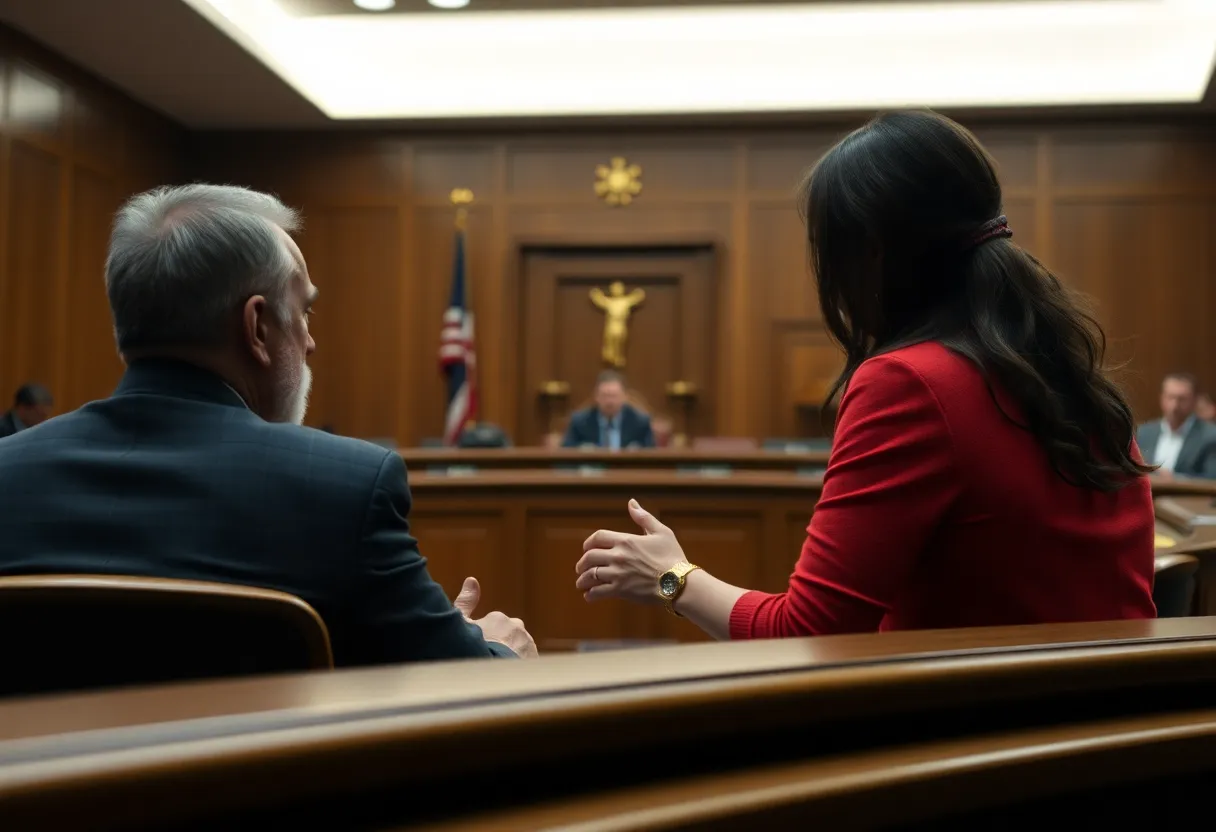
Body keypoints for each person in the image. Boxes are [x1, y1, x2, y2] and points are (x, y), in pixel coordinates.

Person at [575, 110, 1156, 638]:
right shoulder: (1071, 373)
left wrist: (673, 577)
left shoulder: (910, 384)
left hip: (979, 737)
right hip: (1111, 723)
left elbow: (807, 635)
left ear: (872, 254)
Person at [0, 184, 535, 665]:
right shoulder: (343, 489)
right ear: (257, 326)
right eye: (304, 312)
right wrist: (496, 650)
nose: (310, 341)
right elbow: (456, 685)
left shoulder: (9, 475)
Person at [1136, 373, 1216, 478]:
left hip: (1188, 494)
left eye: (1182, 399)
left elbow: (1211, 479)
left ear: (1194, 401)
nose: (1175, 406)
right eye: (1170, 397)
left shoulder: (1210, 436)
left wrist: (1174, 478)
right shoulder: (1144, 432)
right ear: (1162, 398)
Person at [561, 370, 656, 450]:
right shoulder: (579, 422)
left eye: (614, 396)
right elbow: (565, 455)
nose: (609, 402)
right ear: (596, 397)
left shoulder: (640, 422)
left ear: (625, 397)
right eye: (605, 396)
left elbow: (652, 458)